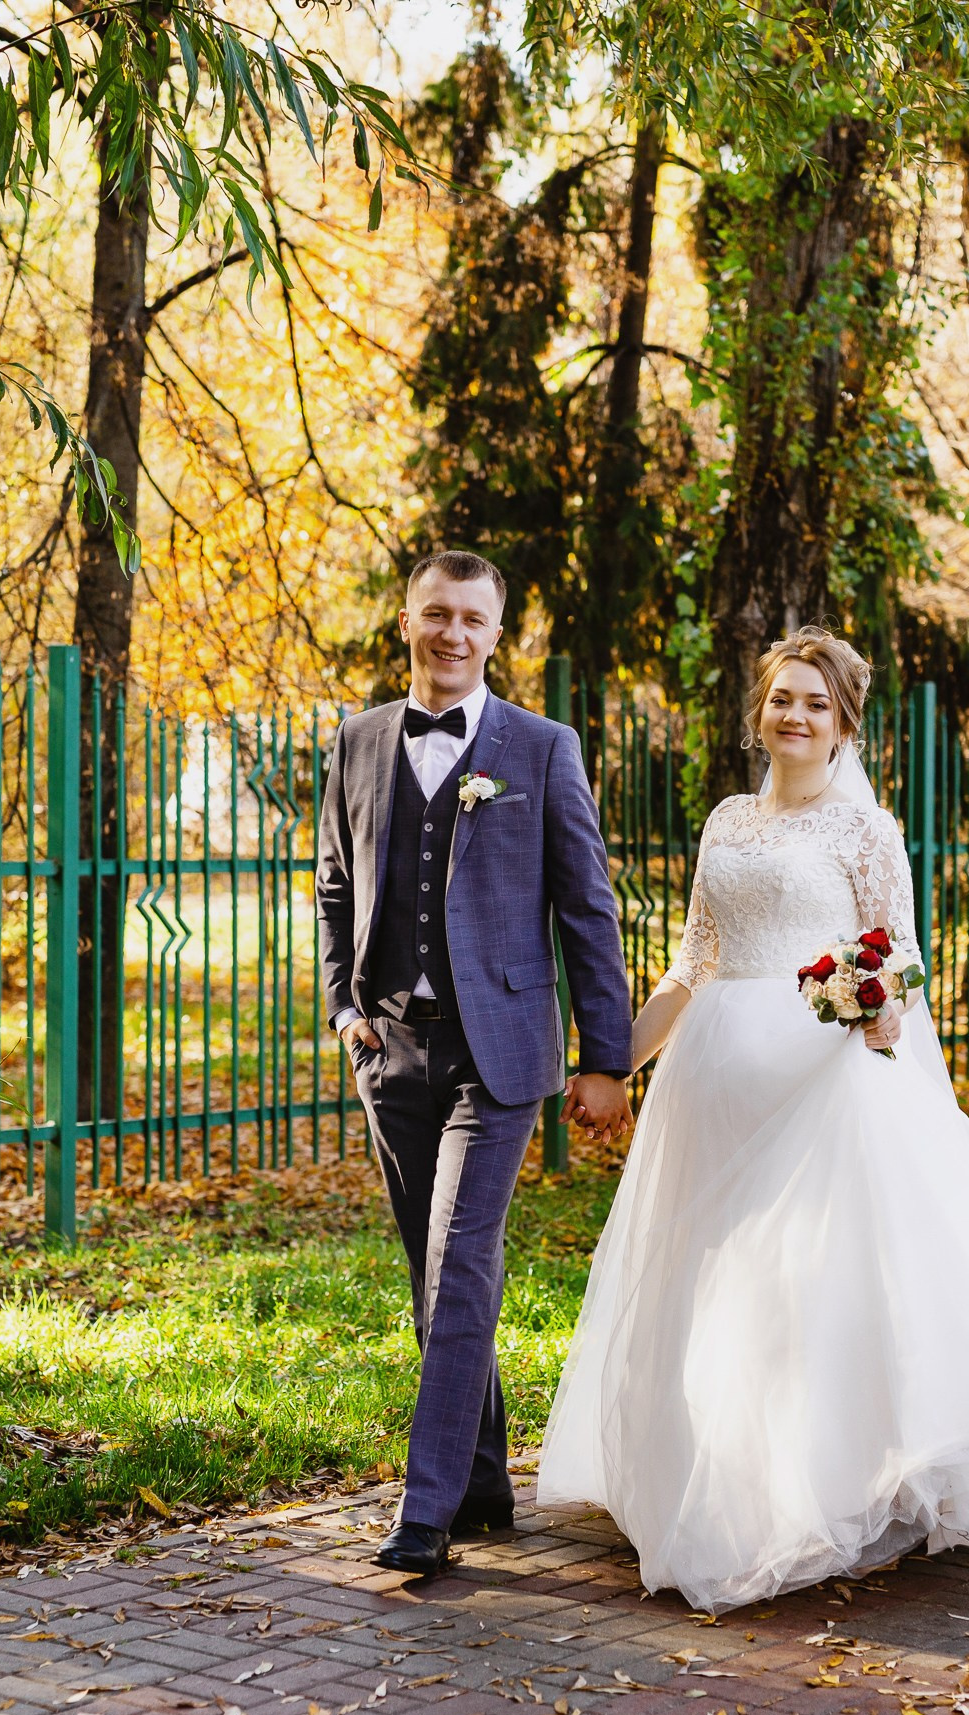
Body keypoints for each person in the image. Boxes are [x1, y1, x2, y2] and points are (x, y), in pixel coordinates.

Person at [536, 626, 969, 1612]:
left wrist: (883, 1007)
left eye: (815, 702)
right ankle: (694, 1477)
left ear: (843, 721)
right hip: (713, 1083)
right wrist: (611, 1063)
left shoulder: (867, 830)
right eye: (782, 699)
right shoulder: (726, 819)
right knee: (707, 1274)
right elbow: (696, 961)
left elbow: (893, 954)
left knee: (801, 1286)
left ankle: (805, 1492)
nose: (795, 716)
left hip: (820, 1077)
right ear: (759, 710)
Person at [315, 550, 634, 1580]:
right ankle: (487, 1479)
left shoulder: (541, 749)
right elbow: (332, 885)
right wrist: (341, 1011)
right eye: (436, 614)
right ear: (406, 620)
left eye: (474, 620)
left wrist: (607, 1057)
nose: (453, 634)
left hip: (498, 1060)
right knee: (432, 1279)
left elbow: (587, 907)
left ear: (499, 634)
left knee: (460, 1267)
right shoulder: (358, 740)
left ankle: (428, 1507)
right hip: (389, 1054)